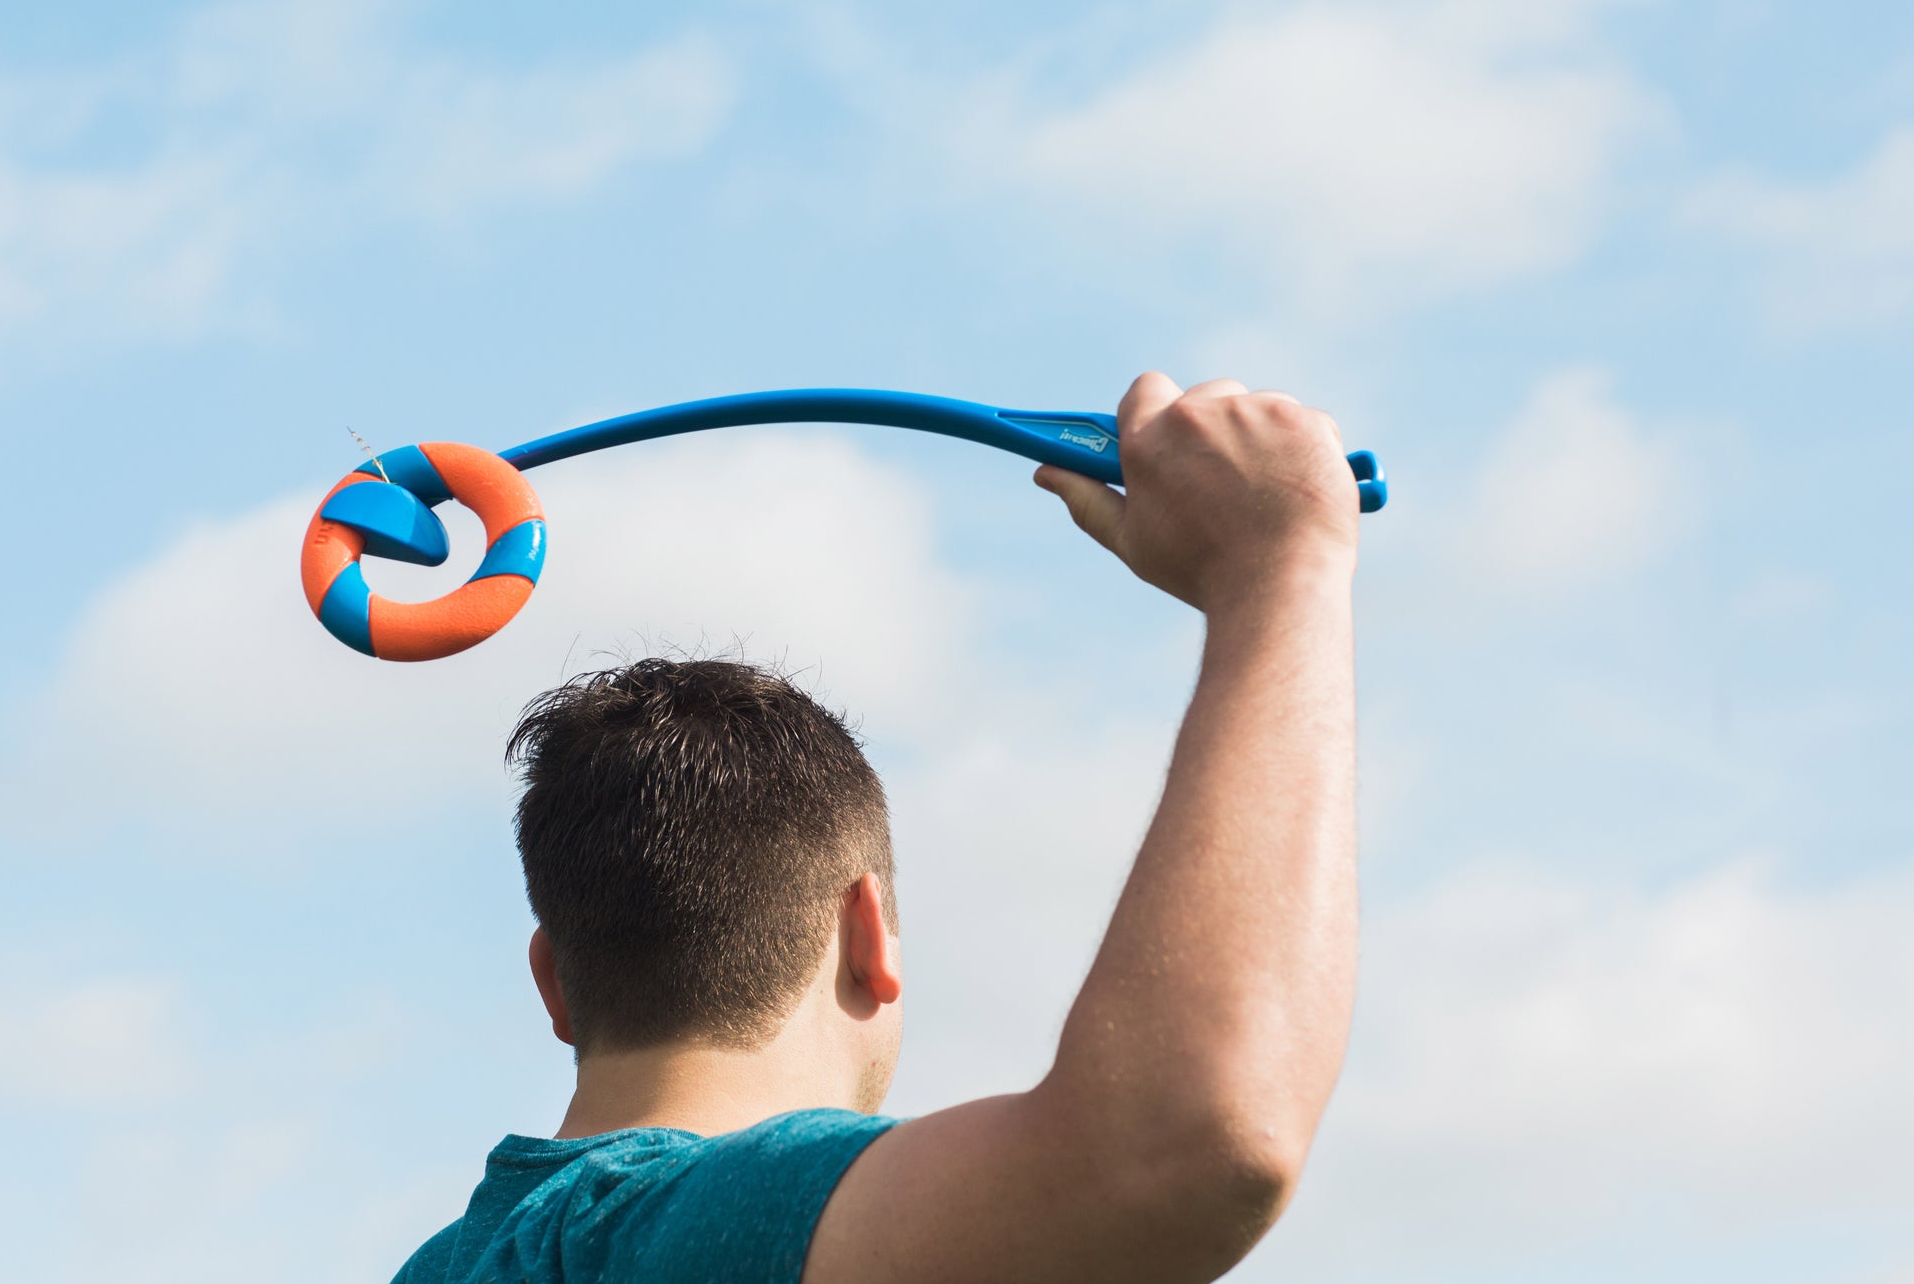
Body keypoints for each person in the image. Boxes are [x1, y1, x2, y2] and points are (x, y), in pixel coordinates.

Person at [392, 371, 1362, 1283]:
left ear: (553, 981)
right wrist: (1279, 568)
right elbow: (1186, 1146)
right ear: (867, 933)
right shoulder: (685, 1227)